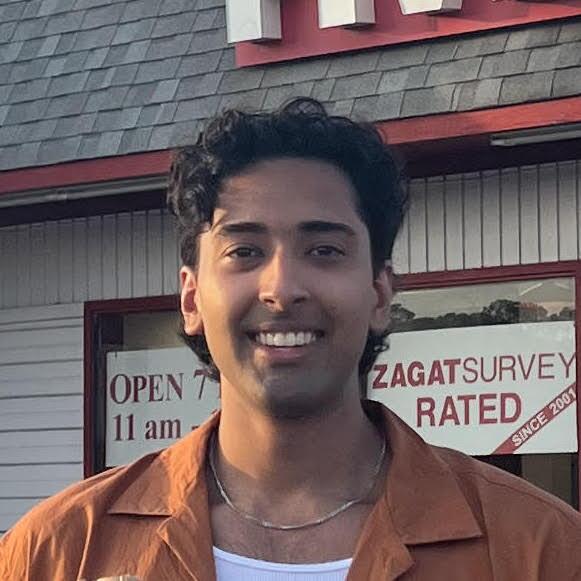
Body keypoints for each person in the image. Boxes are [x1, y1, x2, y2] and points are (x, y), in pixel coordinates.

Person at [1, 98, 581, 581]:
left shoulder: (539, 548)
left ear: (380, 294)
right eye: (244, 251)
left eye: (324, 250)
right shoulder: (59, 551)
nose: (281, 288)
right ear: (191, 299)